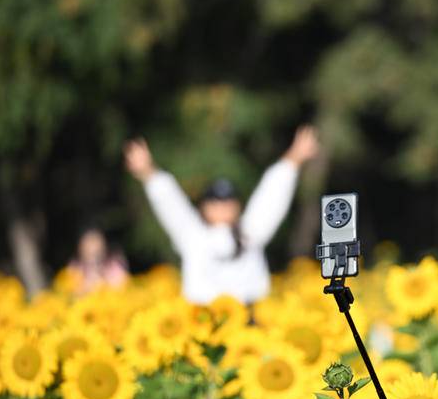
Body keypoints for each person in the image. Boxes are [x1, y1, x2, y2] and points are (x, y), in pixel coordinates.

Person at [123, 125, 320, 305]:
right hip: (202, 317)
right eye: (215, 203)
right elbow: (170, 203)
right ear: (203, 207)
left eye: (228, 202)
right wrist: (148, 172)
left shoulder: (250, 232)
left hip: (249, 316)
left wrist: (294, 158)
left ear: (238, 206)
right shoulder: (192, 235)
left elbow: (271, 197)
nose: (222, 207)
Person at [64, 227, 129, 295]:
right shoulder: (74, 268)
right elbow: (68, 291)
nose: (92, 249)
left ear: (104, 246)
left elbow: (122, 290)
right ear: (80, 247)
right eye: (88, 245)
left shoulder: (114, 267)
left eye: (95, 244)